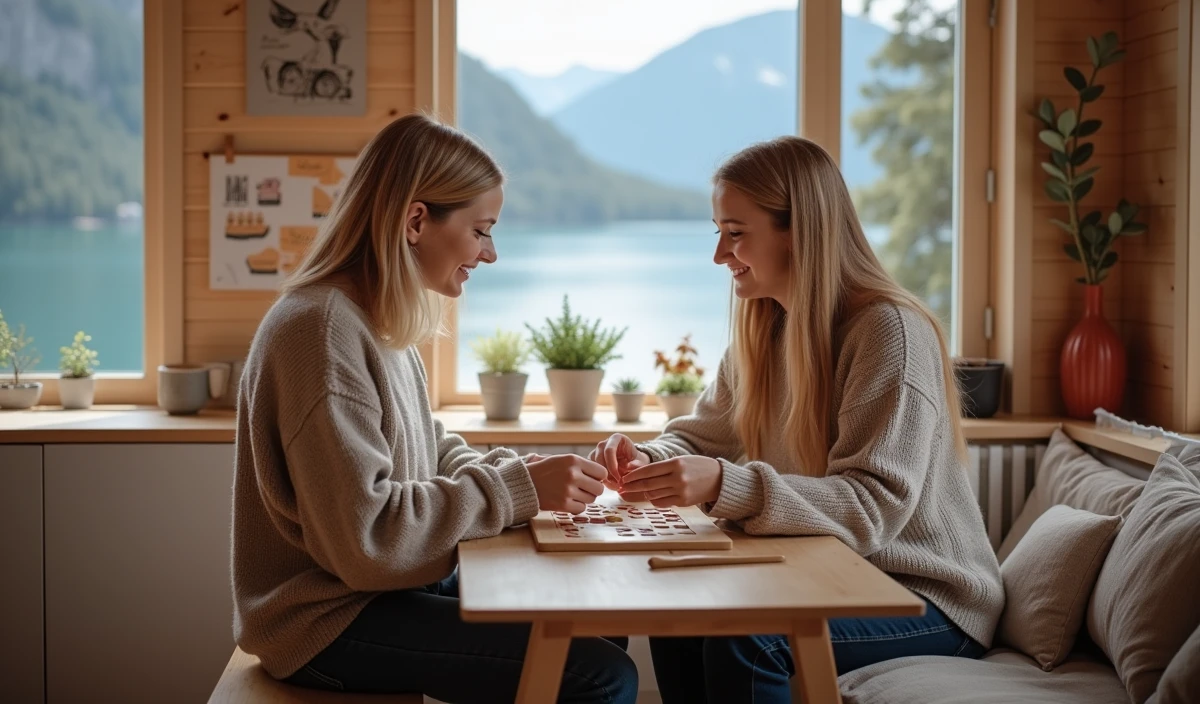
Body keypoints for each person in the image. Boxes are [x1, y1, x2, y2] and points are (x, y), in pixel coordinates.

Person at [232, 114, 637, 703]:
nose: (491, 254)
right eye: (481, 230)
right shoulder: (322, 331)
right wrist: (519, 490)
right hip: (325, 621)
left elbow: (426, 445)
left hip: (376, 594)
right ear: (416, 220)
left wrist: (530, 474)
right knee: (601, 675)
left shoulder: (372, 319)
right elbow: (369, 542)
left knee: (595, 617)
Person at [590, 136, 1003, 703]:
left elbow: (869, 506)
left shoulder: (889, 332)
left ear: (801, 231)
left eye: (736, 234)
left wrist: (723, 483)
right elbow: (703, 432)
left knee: (749, 639)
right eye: (718, 232)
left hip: (926, 597)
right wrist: (647, 459)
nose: (719, 255)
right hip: (824, 576)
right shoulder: (766, 328)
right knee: (680, 616)